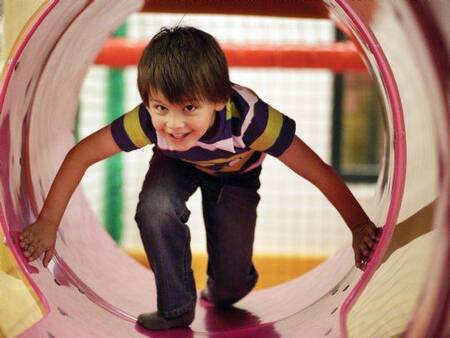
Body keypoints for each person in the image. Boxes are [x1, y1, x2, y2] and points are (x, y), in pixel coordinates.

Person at [19, 26, 381, 330]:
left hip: (236, 178)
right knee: (155, 207)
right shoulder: (148, 121)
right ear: (148, 102)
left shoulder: (251, 120)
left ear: (219, 100)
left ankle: (228, 283)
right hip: (176, 165)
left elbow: (317, 171)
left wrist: (359, 225)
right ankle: (176, 308)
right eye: (161, 108)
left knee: (229, 290)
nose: (173, 124)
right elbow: (80, 155)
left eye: (189, 108)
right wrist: (48, 222)